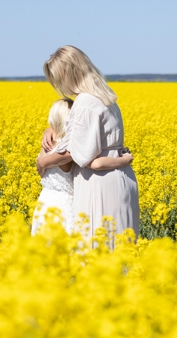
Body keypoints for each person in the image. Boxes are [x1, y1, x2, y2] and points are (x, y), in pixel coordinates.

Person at [36, 46, 140, 245]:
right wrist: (52, 128)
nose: (58, 85)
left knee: (98, 249)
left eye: (58, 79)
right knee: (120, 248)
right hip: (120, 176)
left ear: (69, 74)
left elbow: (75, 152)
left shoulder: (85, 102)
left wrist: (43, 162)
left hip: (99, 182)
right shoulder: (106, 96)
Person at [31, 98, 133, 236]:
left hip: (45, 202)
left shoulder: (46, 144)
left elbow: (41, 170)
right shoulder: (70, 149)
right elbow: (95, 163)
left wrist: (48, 129)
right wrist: (124, 160)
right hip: (63, 206)